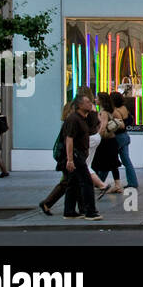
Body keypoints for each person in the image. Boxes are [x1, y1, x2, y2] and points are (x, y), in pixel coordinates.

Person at [61, 93, 101, 222]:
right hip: (76, 155)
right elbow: (69, 139)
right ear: (79, 105)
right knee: (87, 182)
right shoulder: (73, 119)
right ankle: (90, 212)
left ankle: (69, 211)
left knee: (73, 183)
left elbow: (95, 125)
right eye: (87, 102)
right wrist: (70, 159)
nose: (91, 104)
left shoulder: (83, 118)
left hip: (80, 154)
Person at [91, 92, 125, 195]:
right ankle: (117, 185)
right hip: (111, 141)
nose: (95, 99)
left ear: (101, 100)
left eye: (97, 98)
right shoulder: (107, 111)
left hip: (106, 141)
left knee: (97, 162)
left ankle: (97, 183)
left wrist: (97, 136)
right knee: (112, 163)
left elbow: (103, 126)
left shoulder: (104, 112)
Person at [111, 91, 138, 192]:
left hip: (118, 136)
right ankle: (133, 182)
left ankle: (99, 180)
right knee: (126, 160)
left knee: (109, 158)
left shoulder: (116, 111)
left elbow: (120, 124)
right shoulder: (124, 108)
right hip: (125, 135)